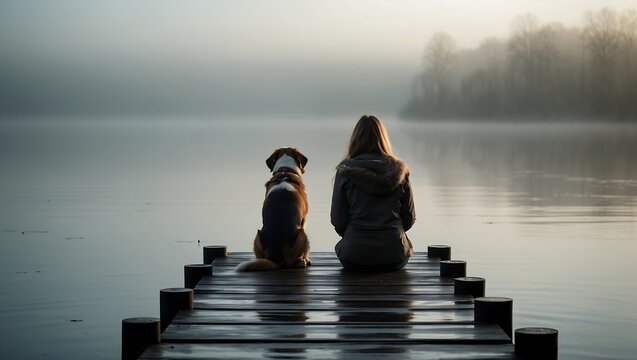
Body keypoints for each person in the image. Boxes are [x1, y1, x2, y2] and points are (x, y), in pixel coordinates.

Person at [330, 115, 415, 271]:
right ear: (384, 138)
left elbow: (338, 220)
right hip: (394, 256)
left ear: (355, 139)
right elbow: (408, 219)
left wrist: (354, 237)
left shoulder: (345, 171)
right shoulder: (400, 171)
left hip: (354, 256)